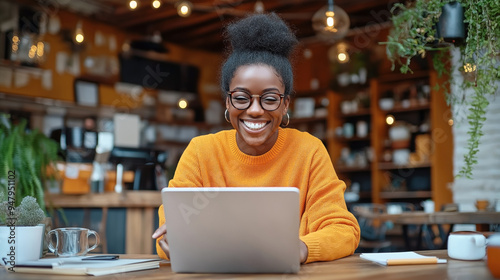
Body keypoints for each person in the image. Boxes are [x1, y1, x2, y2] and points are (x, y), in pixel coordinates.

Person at [152, 13, 360, 264]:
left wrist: (300, 249)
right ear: (228, 101)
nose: (255, 110)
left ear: (285, 105)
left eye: (270, 99)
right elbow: (170, 231)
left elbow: (343, 230)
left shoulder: (309, 151)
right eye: (241, 97)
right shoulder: (201, 151)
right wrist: (174, 240)